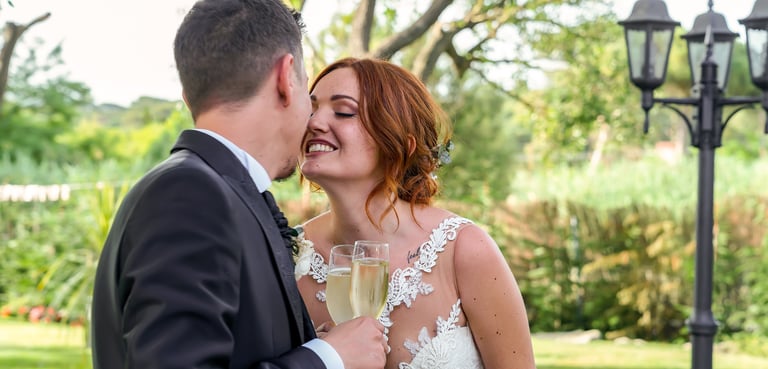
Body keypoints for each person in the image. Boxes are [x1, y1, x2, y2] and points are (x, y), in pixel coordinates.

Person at [90, 2, 387, 369]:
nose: (312, 119)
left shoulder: (219, 191)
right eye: (306, 89)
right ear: (285, 78)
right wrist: (327, 359)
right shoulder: (189, 195)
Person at [296, 57, 537, 369]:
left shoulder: (464, 250)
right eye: (310, 108)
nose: (314, 122)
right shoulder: (289, 257)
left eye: (343, 112)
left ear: (400, 145)